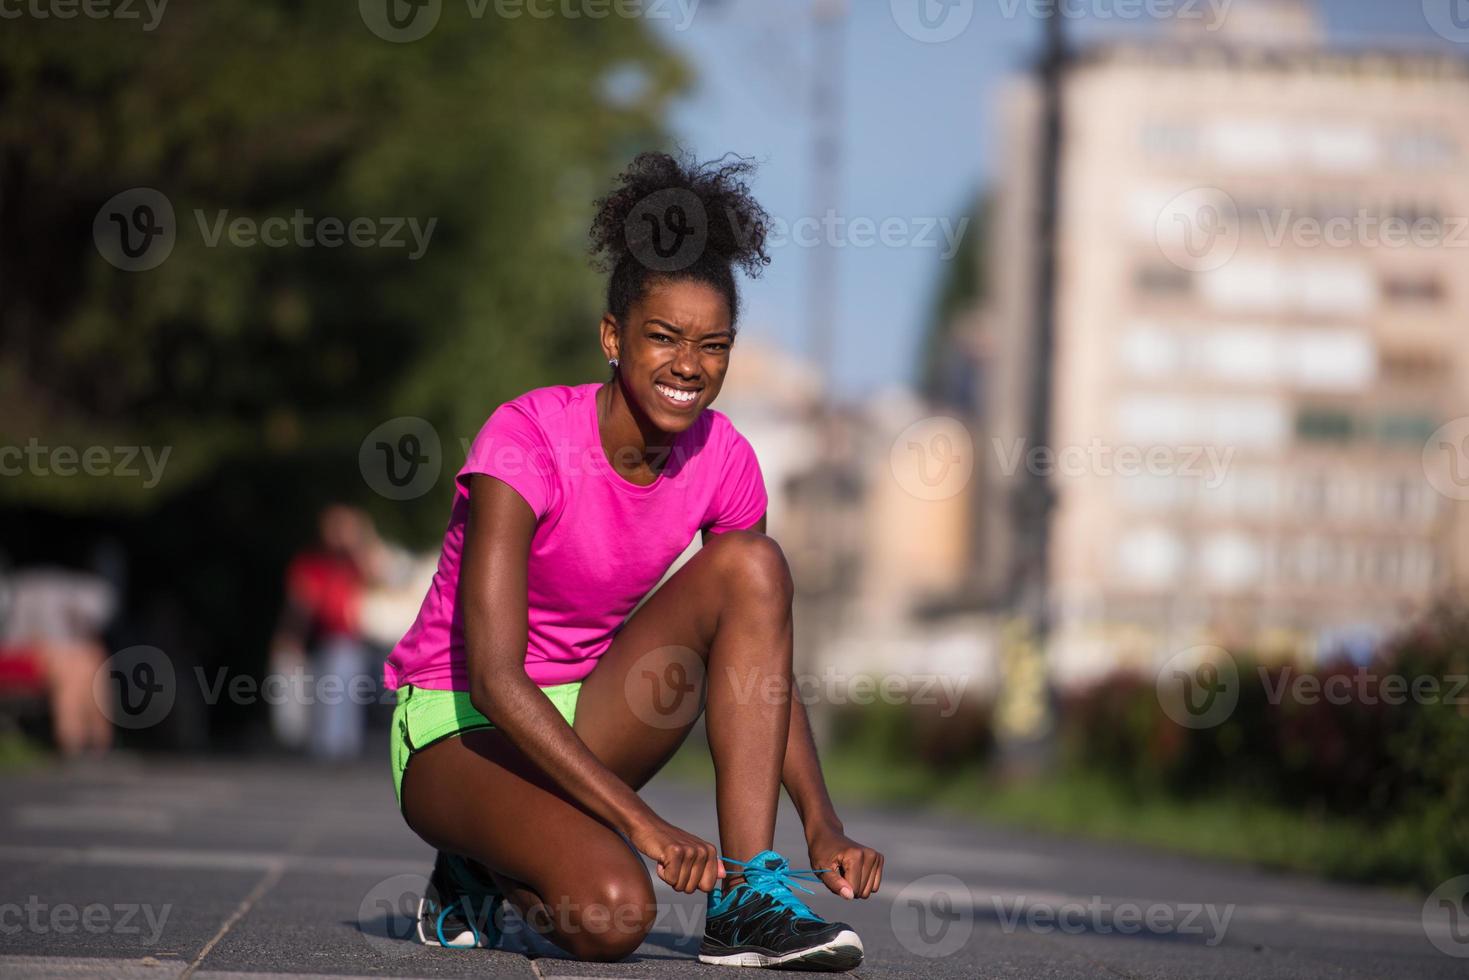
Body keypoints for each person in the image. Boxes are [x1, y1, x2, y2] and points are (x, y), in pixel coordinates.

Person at [384, 152, 882, 969]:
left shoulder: (723, 459)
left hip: (589, 713)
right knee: (614, 918)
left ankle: (746, 895)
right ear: (613, 336)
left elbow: (758, 657)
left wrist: (820, 818)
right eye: (664, 337)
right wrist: (640, 824)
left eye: (713, 345)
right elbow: (495, 680)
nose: (689, 365)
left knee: (754, 566)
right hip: (458, 727)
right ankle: (477, 857)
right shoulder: (526, 439)